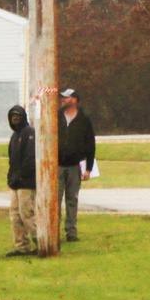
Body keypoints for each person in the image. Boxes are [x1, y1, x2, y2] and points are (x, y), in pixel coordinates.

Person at [57, 88, 96, 242]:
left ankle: (71, 232)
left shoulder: (84, 119)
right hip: (57, 166)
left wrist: (88, 168)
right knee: (56, 200)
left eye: (66, 98)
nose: (63, 100)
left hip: (75, 166)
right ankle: (53, 231)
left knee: (72, 199)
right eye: (63, 97)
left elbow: (90, 145)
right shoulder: (56, 117)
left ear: (74, 99)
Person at [6, 105, 37, 257]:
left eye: (18, 116)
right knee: (15, 214)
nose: (15, 119)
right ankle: (21, 246)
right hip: (16, 183)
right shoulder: (14, 136)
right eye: (13, 117)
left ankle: (42, 242)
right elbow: (12, 160)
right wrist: (11, 177)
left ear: (23, 117)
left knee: (27, 214)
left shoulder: (29, 133)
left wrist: (20, 177)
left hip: (27, 182)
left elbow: (31, 159)